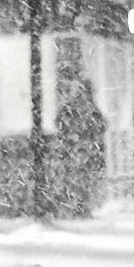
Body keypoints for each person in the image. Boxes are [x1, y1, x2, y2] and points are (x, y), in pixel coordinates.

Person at [53, 77, 108, 218]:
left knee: (78, 180)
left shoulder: (73, 108)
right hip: (82, 151)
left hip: (78, 151)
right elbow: (102, 127)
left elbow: (59, 124)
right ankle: (79, 207)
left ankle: (78, 207)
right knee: (81, 180)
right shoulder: (87, 109)